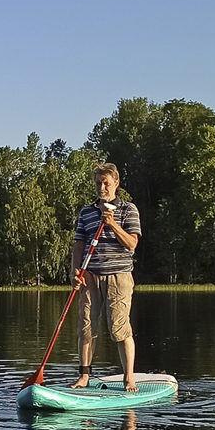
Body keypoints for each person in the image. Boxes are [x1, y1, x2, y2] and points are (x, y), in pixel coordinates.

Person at [72, 162, 141, 390]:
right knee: (86, 327)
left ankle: (128, 377)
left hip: (118, 276)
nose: (102, 187)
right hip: (90, 275)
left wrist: (112, 224)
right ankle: (84, 376)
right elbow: (79, 244)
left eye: (106, 183)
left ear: (116, 183)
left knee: (119, 328)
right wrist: (75, 271)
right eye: (98, 183)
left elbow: (132, 243)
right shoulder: (86, 212)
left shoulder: (128, 209)